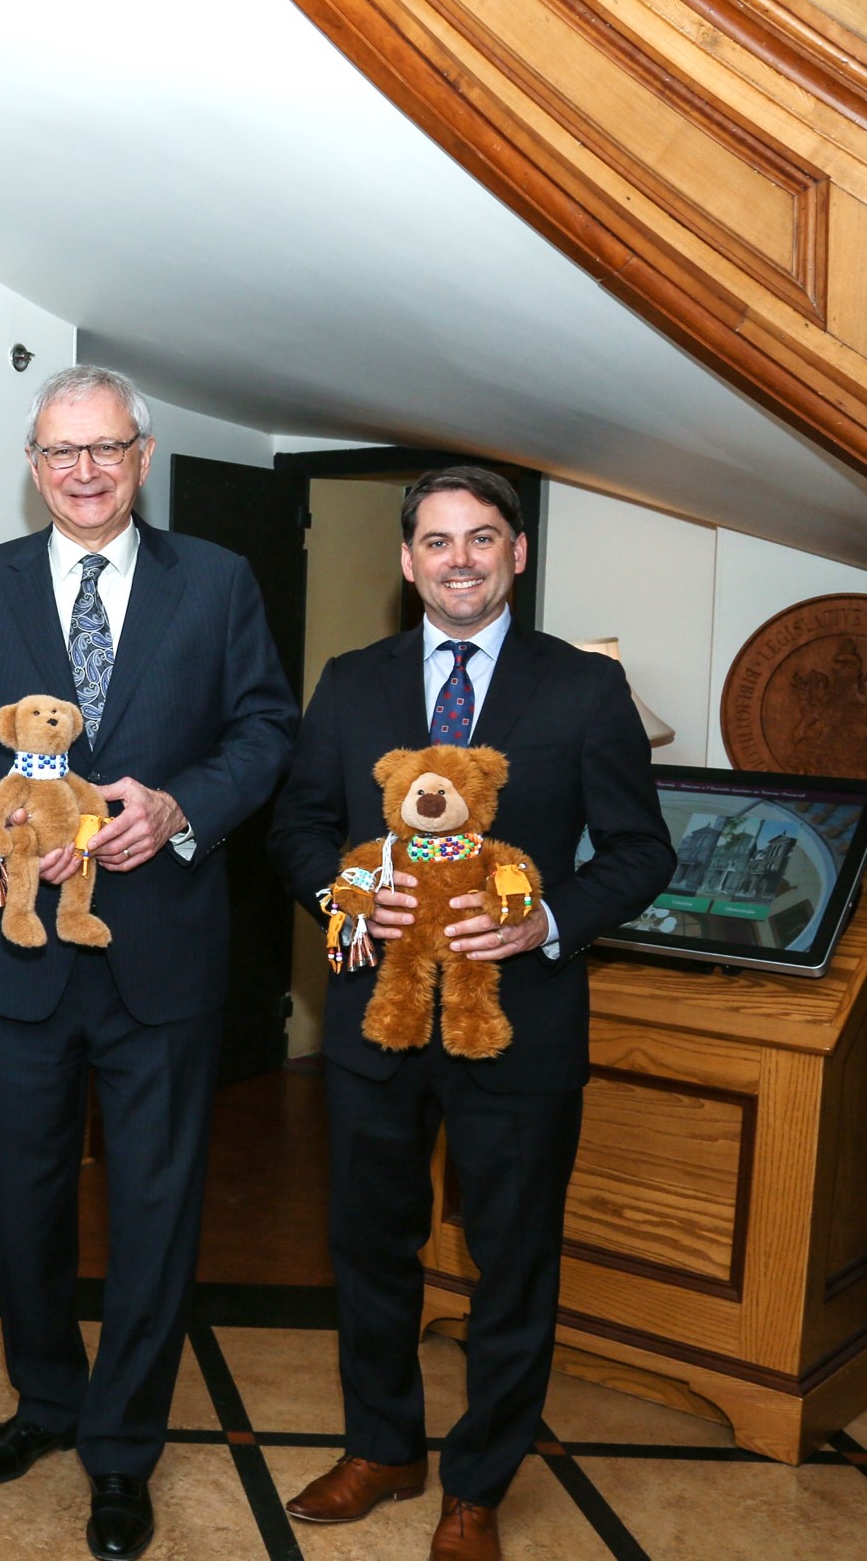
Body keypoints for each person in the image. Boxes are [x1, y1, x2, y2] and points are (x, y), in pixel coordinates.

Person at [0, 364, 298, 1560]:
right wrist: (1, 814)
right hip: (14, 950)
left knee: (151, 1206)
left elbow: (265, 730)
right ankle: (45, 1401)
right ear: (33, 469)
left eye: (104, 448)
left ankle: (122, 1448)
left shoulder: (218, 582)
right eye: (57, 453)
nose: (82, 470)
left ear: (142, 455)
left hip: (162, 955)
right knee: (23, 1202)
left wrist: (179, 808)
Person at [267, 466, 675, 1561]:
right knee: (368, 1247)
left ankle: (476, 1486)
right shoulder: (350, 684)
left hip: (522, 1027)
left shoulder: (583, 690)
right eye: (437, 541)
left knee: (512, 1261)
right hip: (372, 1024)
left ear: (516, 555)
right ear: (406, 562)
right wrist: (343, 891)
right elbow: (299, 828)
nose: (459, 559)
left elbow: (643, 852)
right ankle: (382, 1446)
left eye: (481, 538)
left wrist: (545, 919)